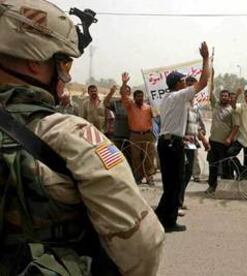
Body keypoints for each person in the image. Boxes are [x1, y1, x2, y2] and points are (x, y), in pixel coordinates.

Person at [0, 1, 164, 275]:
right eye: (63, 63)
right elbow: (143, 247)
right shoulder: (71, 137)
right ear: (34, 60)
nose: (66, 75)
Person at [155, 42, 210, 232]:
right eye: (184, 81)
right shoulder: (177, 97)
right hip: (172, 144)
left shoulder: (168, 99)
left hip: (166, 143)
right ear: (178, 84)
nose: (186, 83)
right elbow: (203, 83)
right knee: (174, 183)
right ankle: (166, 221)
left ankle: (162, 218)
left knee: (172, 184)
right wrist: (205, 59)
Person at [121, 74, 156, 185]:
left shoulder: (149, 107)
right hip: (135, 135)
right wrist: (124, 83)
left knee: (149, 156)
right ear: (134, 98)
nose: (140, 98)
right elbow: (123, 95)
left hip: (147, 135)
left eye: (142, 96)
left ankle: (149, 177)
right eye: (138, 97)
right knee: (136, 157)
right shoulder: (130, 106)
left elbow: (158, 114)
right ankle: (138, 177)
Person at [104, 84, 132, 166]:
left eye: (127, 91)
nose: (125, 93)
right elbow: (105, 103)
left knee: (130, 157)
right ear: (120, 92)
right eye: (123, 91)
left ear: (129, 93)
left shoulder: (132, 104)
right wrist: (111, 92)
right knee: (117, 158)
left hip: (130, 135)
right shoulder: (116, 103)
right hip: (117, 135)